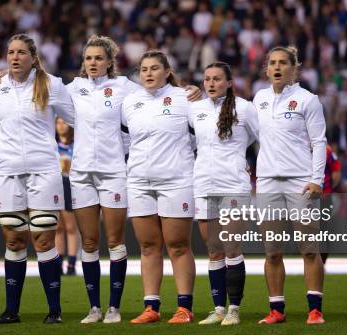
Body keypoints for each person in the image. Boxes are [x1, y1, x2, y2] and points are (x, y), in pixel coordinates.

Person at [62, 35, 201, 324]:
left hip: (121, 173)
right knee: (95, 242)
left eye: (99, 58)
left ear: (110, 61)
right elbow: (44, 89)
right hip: (97, 174)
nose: (93, 63)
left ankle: (119, 307)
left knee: (129, 241)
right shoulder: (73, 88)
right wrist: (6, 76)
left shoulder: (128, 90)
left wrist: (196, 91)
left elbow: (200, 124)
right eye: (88, 58)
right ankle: (101, 308)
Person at [0, 33, 75, 324]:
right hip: (7, 172)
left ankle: (55, 310)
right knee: (13, 241)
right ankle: (12, 311)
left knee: (43, 239)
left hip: (43, 171)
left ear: (33, 56)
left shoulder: (52, 84)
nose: (14, 57)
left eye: (21, 52)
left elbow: (77, 117)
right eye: (10, 51)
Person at [254, 46, 327, 325]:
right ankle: (276, 310)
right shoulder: (259, 98)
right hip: (268, 182)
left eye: (283, 62)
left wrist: (316, 179)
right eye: (272, 62)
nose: (277, 67)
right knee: (272, 250)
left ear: (293, 68)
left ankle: (315, 309)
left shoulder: (308, 99)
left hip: (300, 182)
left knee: (309, 248)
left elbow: (319, 141)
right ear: (266, 67)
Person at [123, 50, 196, 325]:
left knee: (177, 245)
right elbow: (123, 137)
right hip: (139, 181)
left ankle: (184, 307)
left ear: (167, 71)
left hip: (176, 180)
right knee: (148, 246)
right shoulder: (130, 102)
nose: (149, 74)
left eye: (155, 68)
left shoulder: (185, 98)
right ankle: (151, 307)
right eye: (144, 69)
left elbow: (201, 135)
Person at [191, 62, 257, 326]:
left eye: (217, 79)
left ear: (229, 82)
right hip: (203, 185)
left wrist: (245, 160)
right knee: (214, 250)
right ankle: (218, 308)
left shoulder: (245, 108)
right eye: (207, 79)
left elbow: (263, 137)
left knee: (231, 248)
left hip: (233, 185)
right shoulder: (195, 110)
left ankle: (234, 309)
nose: (211, 83)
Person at [55, 117, 79, 276]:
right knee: (57, 227)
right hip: (55, 185)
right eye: (58, 123)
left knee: (71, 226)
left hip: (70, 185)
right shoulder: (51, 145)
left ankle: (71, 264)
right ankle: (58, 264)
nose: (61, 126)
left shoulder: (76, 145)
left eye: (64, 123)